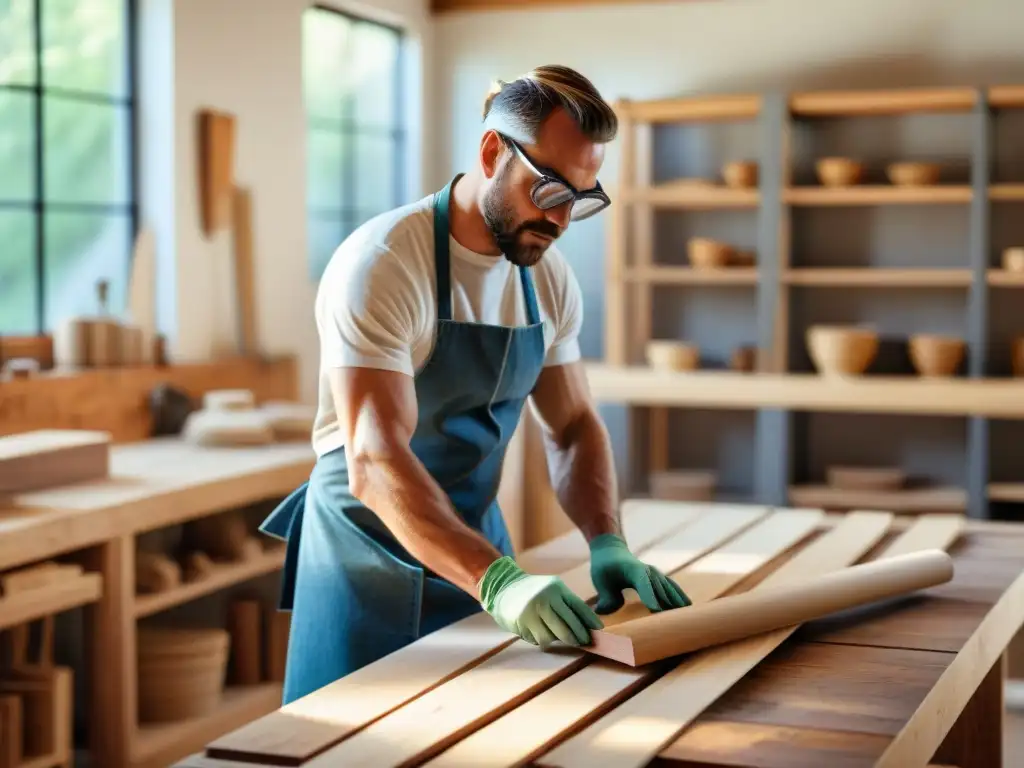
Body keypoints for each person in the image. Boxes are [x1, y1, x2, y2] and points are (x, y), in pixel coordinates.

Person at [262, 64, 691, 705]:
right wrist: (497, 583)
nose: (562, 220)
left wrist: (606, 538)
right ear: (492, 153)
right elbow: (375, 459)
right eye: (549, 192)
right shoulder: (383, 264)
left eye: (581, 198)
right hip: (368, 554)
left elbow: (572, 427)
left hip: (480, 544)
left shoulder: (547, 276)